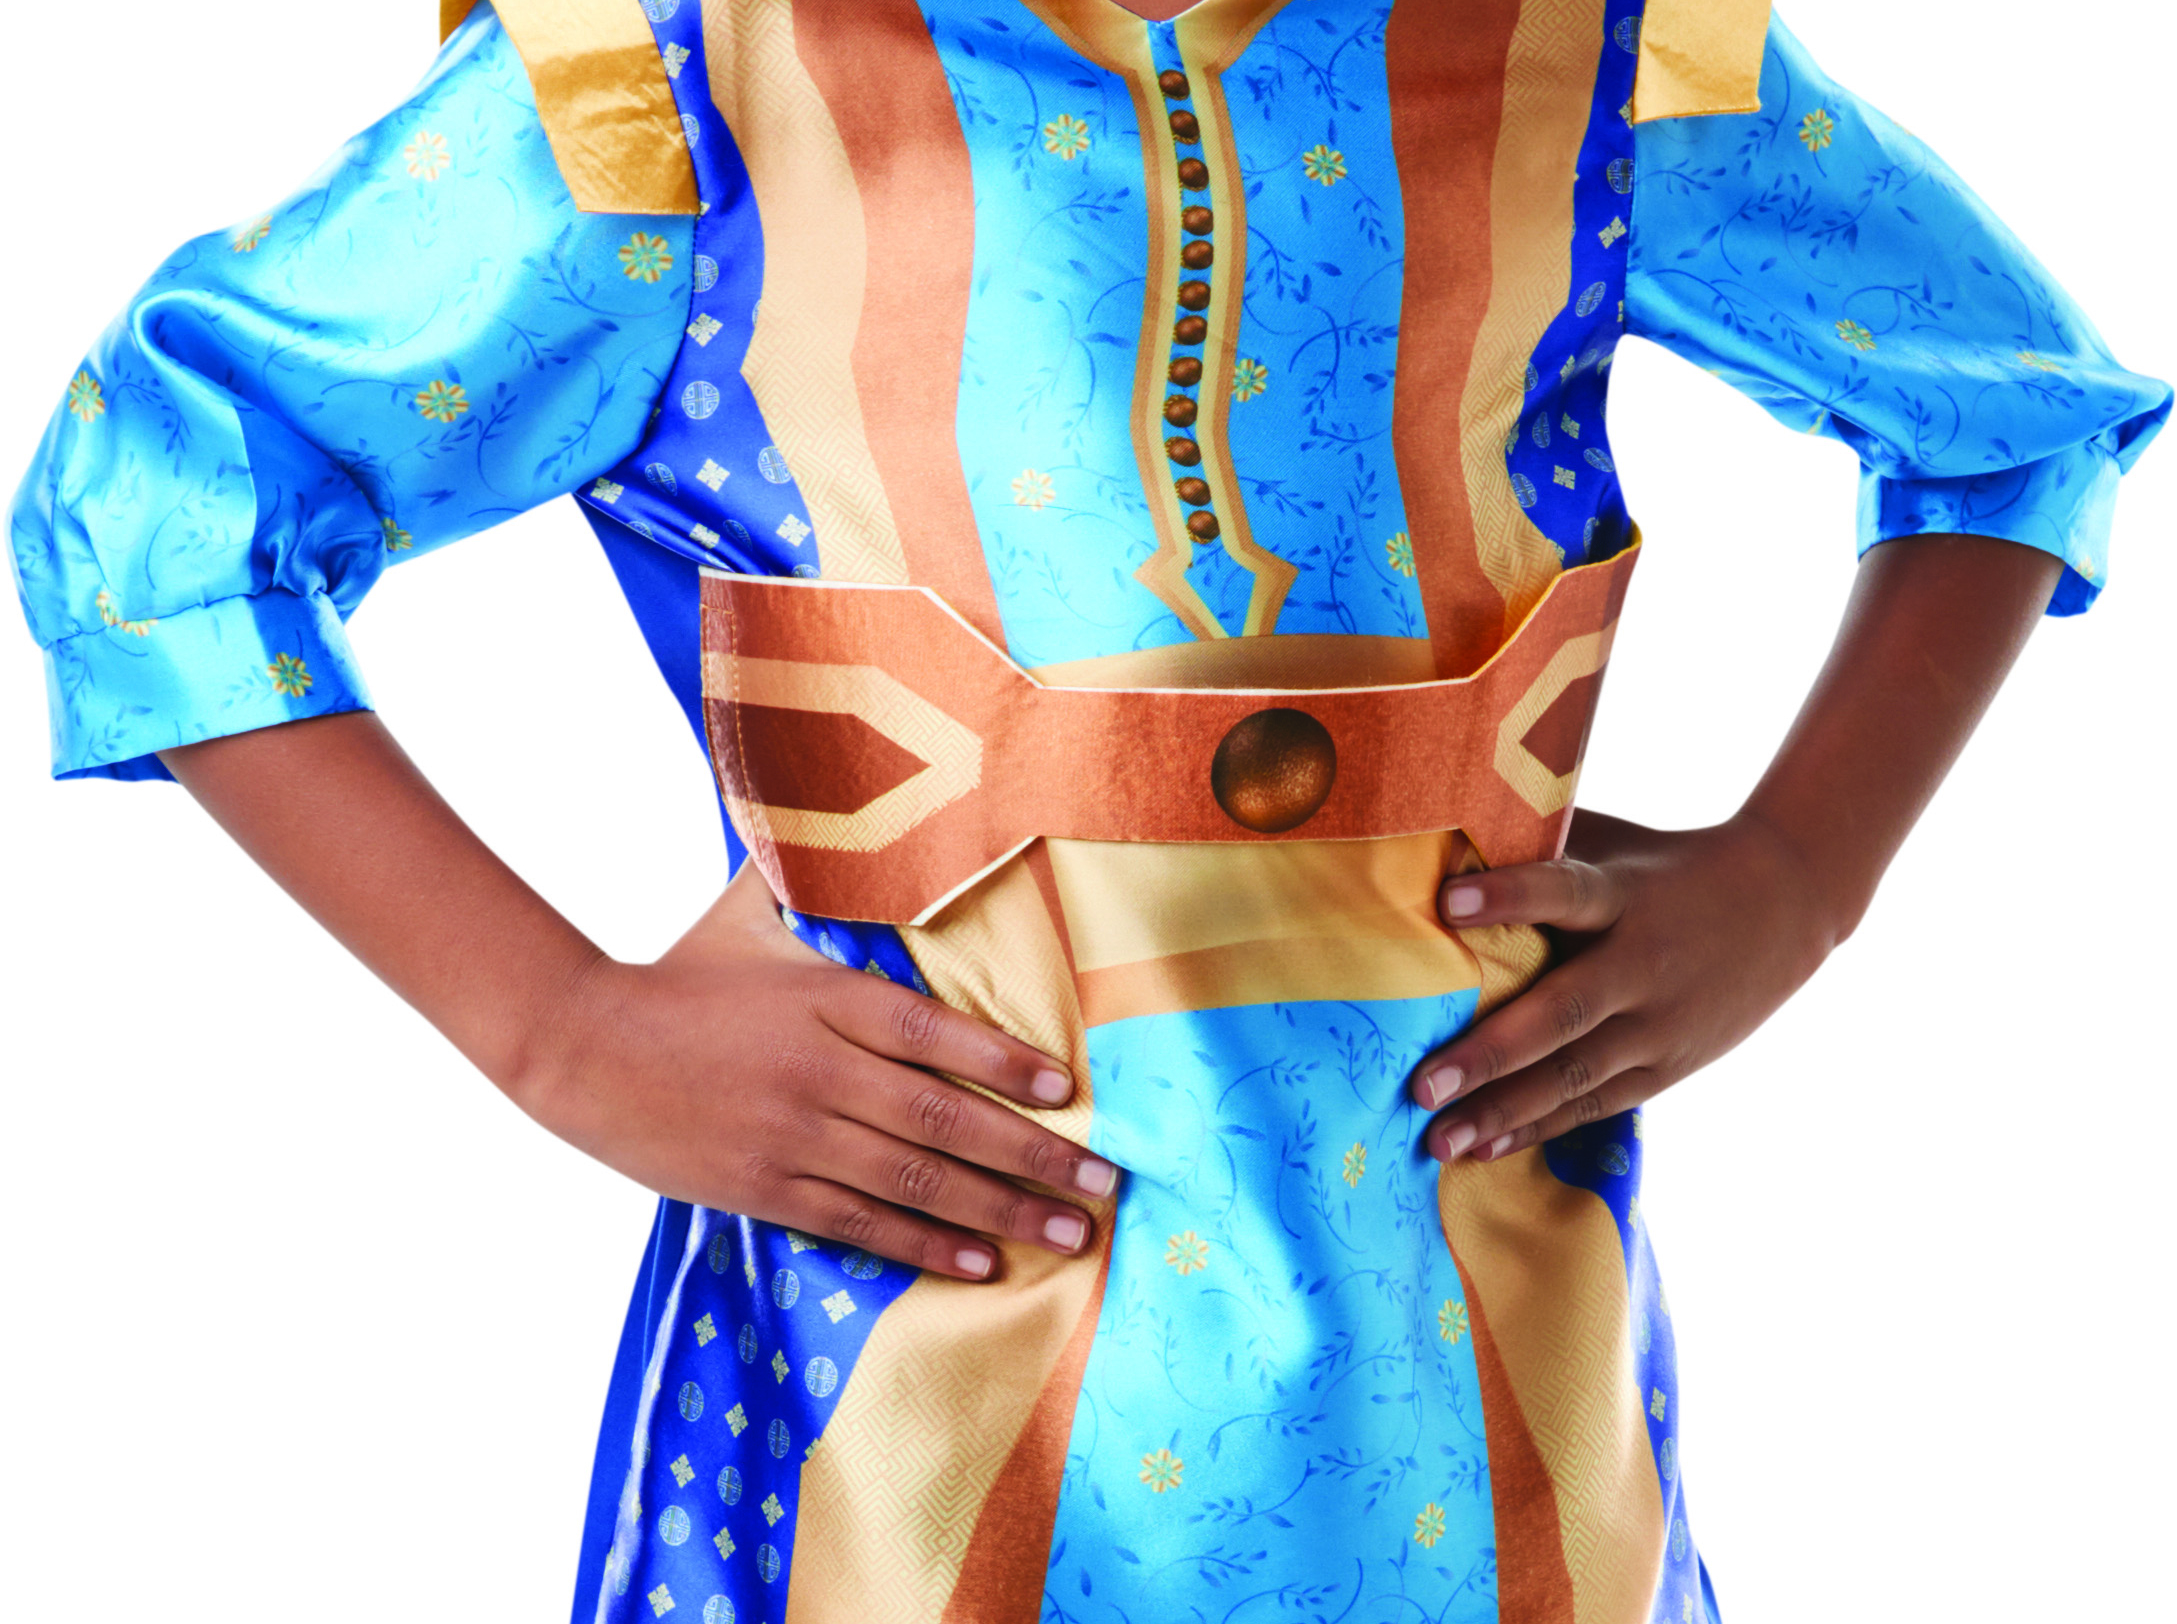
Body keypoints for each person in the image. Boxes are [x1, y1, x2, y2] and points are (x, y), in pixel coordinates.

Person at [9, 0, 2164, 1619]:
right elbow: (160, 504)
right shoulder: (680, 85)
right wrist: (555, 1027)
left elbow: (2004, 401)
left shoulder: (1575, 60)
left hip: (1479, 1340)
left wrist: (1803, 874)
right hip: (915, 1339)